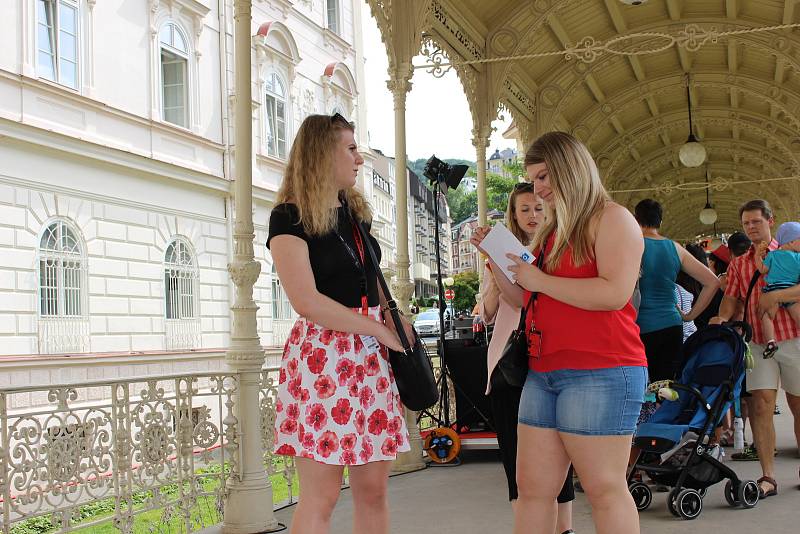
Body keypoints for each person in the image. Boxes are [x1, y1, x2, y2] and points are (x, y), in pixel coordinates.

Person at [472, 132, 646, 534]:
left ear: (572, 168)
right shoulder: (551, 231)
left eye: (546, 176)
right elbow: (523, 297)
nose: (540, 188)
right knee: (532, 490)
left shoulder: (613, 218)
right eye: (534, 179)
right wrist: (497, 261)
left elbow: (614, 293)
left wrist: (539, 280)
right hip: (544, 371)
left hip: (602, 368)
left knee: (604, 489)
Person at [267, 113, 413, 534]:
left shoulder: (356, 215)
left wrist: (392, 318)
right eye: (350, 149)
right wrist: (377, 330)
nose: (358, 159)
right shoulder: (288, 217)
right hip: (322, 360)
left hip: (370, 357)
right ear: (321, 153)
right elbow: (306, 301)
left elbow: (371, 281)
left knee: (373, 492)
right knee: (322, 496)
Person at [475, 184, 575, 534]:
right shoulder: (502, 256)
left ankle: (564, 527)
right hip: (508, 362)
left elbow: (524, 299)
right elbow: (488, 311)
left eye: (537, 207)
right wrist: (493, 265)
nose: (533, 215)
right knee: (516, 455)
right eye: (524, 210)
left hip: (549, 359)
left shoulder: (555, 251)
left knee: (558, 451)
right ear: (514, 217)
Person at [710, 199, 800, 499]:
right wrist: (722, 317)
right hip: (758, 341)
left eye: (756, 222)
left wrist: (777, 297)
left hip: (793, 337)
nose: (751, 228)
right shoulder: (739, 263)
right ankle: (768, 477)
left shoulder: (791, 249)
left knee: (798, 405)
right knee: (761, 405)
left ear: (770, 220)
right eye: (746, 223)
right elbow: (732, 298)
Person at [634, 199, 720, 383]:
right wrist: (689, 316)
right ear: (661, 222)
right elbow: (712, 282)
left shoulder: (632, 246)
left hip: (638, 326)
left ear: (635, 219)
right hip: (671, 325)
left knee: (641, 387)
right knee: (666, 387)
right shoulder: (675, 248)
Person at [755, 221, 800, 359]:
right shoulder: (798, 257)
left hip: (772, 288)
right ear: (791, 242)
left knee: (767, 316)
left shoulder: (772, 255)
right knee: (797, 313)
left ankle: (770, 342)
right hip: (790, 289)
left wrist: (757, 256)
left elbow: (762, 270)